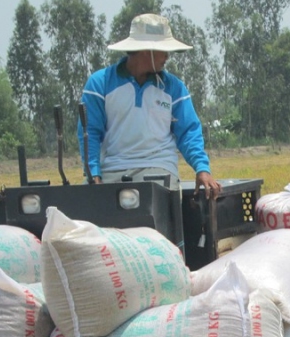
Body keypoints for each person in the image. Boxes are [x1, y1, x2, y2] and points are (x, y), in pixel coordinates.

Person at [77, 13, 221, 199]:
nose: (167, 56)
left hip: (159, 169)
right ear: (147, 50)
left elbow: (188, 132)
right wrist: (93, 174)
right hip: (111, 170)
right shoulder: (100, 83)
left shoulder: (174, 87)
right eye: (164, 50)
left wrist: (202, 168)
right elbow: (90, 133)